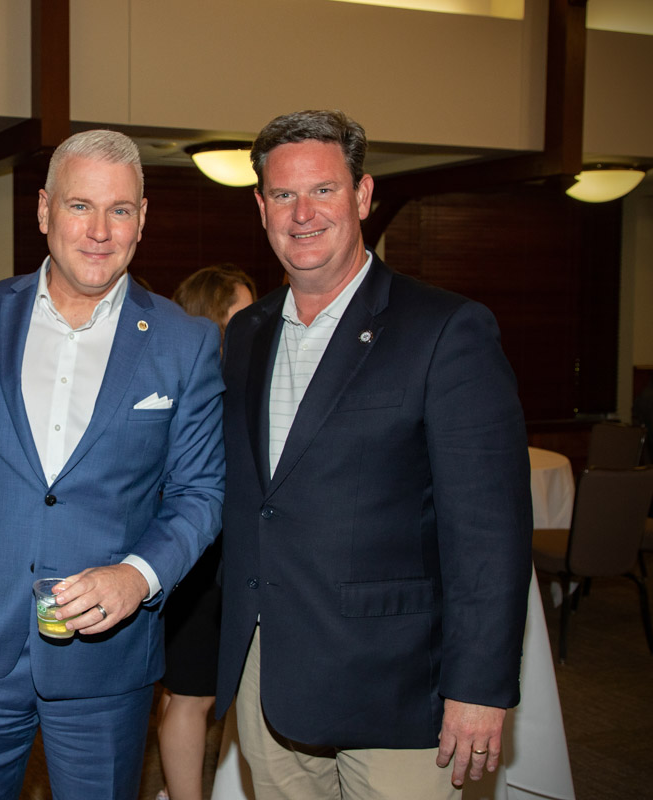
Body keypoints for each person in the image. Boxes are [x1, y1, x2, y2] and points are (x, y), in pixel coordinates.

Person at [215, 110, 531, 799]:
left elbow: (489, 531)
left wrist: (479, 686)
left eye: (323, 191)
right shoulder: (247, 332)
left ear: (362, 196)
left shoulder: (445, 329)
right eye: (283, 195)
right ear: (260, 206)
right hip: (269, 670)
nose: (303, 214)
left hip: (396, 684)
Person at [0, 129, 226, 799]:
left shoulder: (186, 341)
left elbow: (200, 494)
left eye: (119, 210)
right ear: (43, 211)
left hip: (107, 659)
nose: (99, 230)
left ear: (142, 220)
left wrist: (137, 576)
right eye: (79, 206)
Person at [157, 265, 256, 800]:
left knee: (180, 695)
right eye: (238, 318)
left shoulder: (212, 382)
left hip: (189, 558)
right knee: (192, 698)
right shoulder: (207, 389)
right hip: (199, 561)